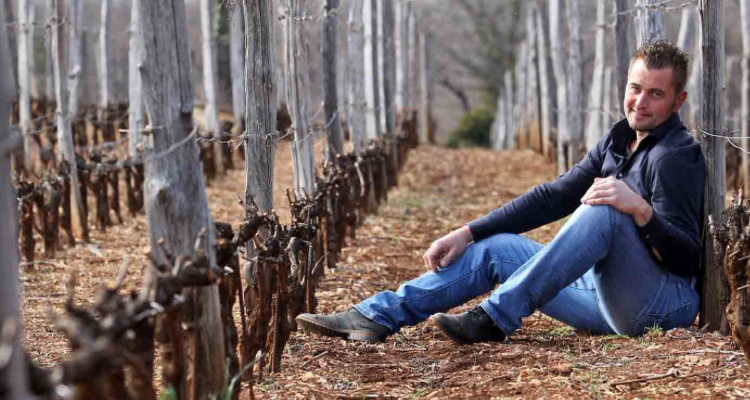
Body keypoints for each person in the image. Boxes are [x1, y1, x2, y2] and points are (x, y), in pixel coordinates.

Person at [296, 40, 705, 345]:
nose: (641, 102)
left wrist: (640, 212)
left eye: (656, 93)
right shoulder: (619, 139)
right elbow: (554, 197)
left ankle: (494, 317)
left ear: (678, 100)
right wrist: (469, 231)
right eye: (636, 88)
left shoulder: (675, 156)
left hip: (660, 306)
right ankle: (374, 317)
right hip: (603, 299)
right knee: (496, 249)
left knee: (606, 210)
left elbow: (688, 256)